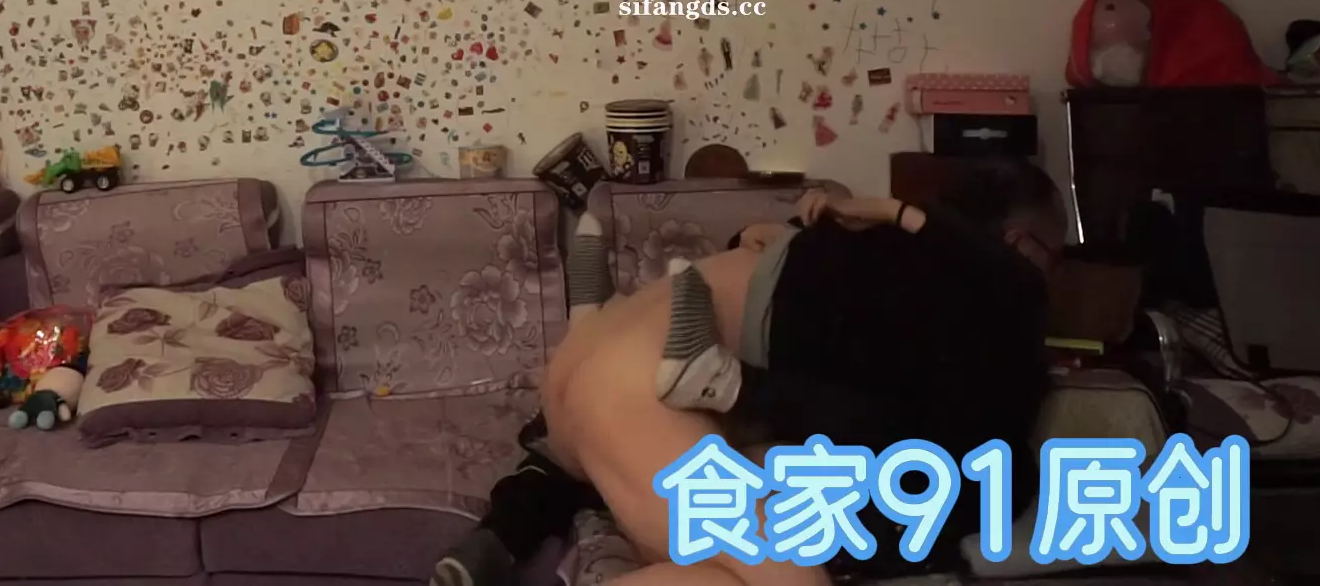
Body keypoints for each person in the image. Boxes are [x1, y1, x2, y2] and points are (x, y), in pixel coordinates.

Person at [432, 158, 1059, 586]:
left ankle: (506, 531)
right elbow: (961, 459)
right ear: (1020, 245)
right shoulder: (990, 304)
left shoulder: (850, 238)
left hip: (582, 360)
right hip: (628, 394)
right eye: (1056, 254)